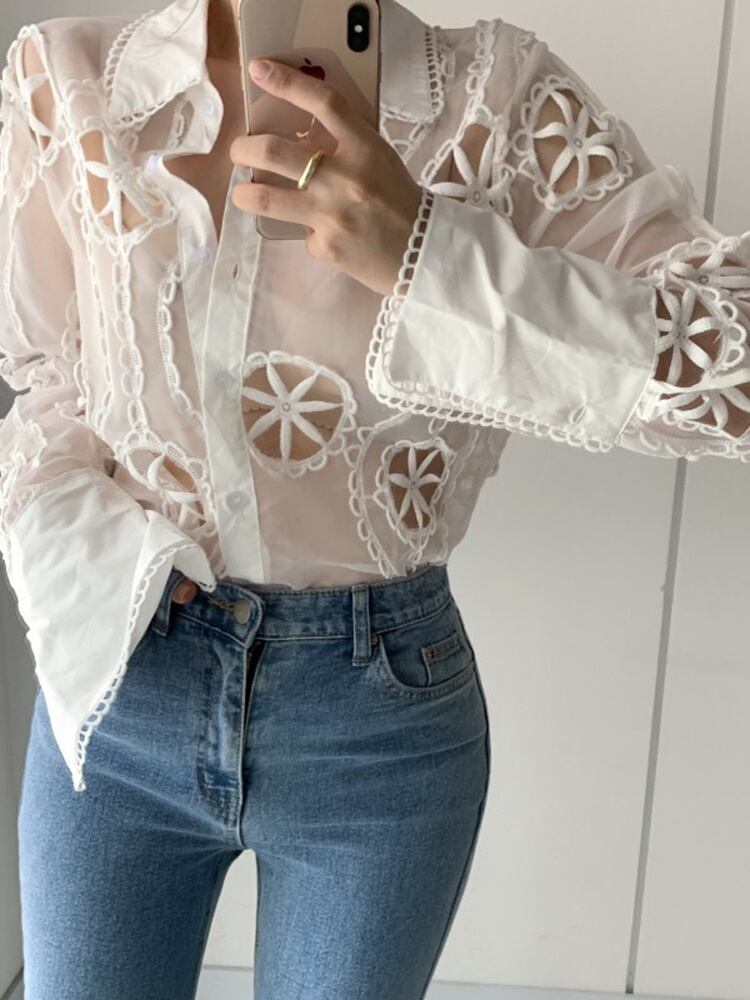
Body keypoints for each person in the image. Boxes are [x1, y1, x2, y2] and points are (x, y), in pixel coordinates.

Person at [1, 0, 747, 996]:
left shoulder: (493, 103)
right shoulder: (70, 80)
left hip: (375, 723)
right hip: (119, 683)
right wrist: (84, 555)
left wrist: (433, 258)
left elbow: (734, 370)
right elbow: (47, 375)